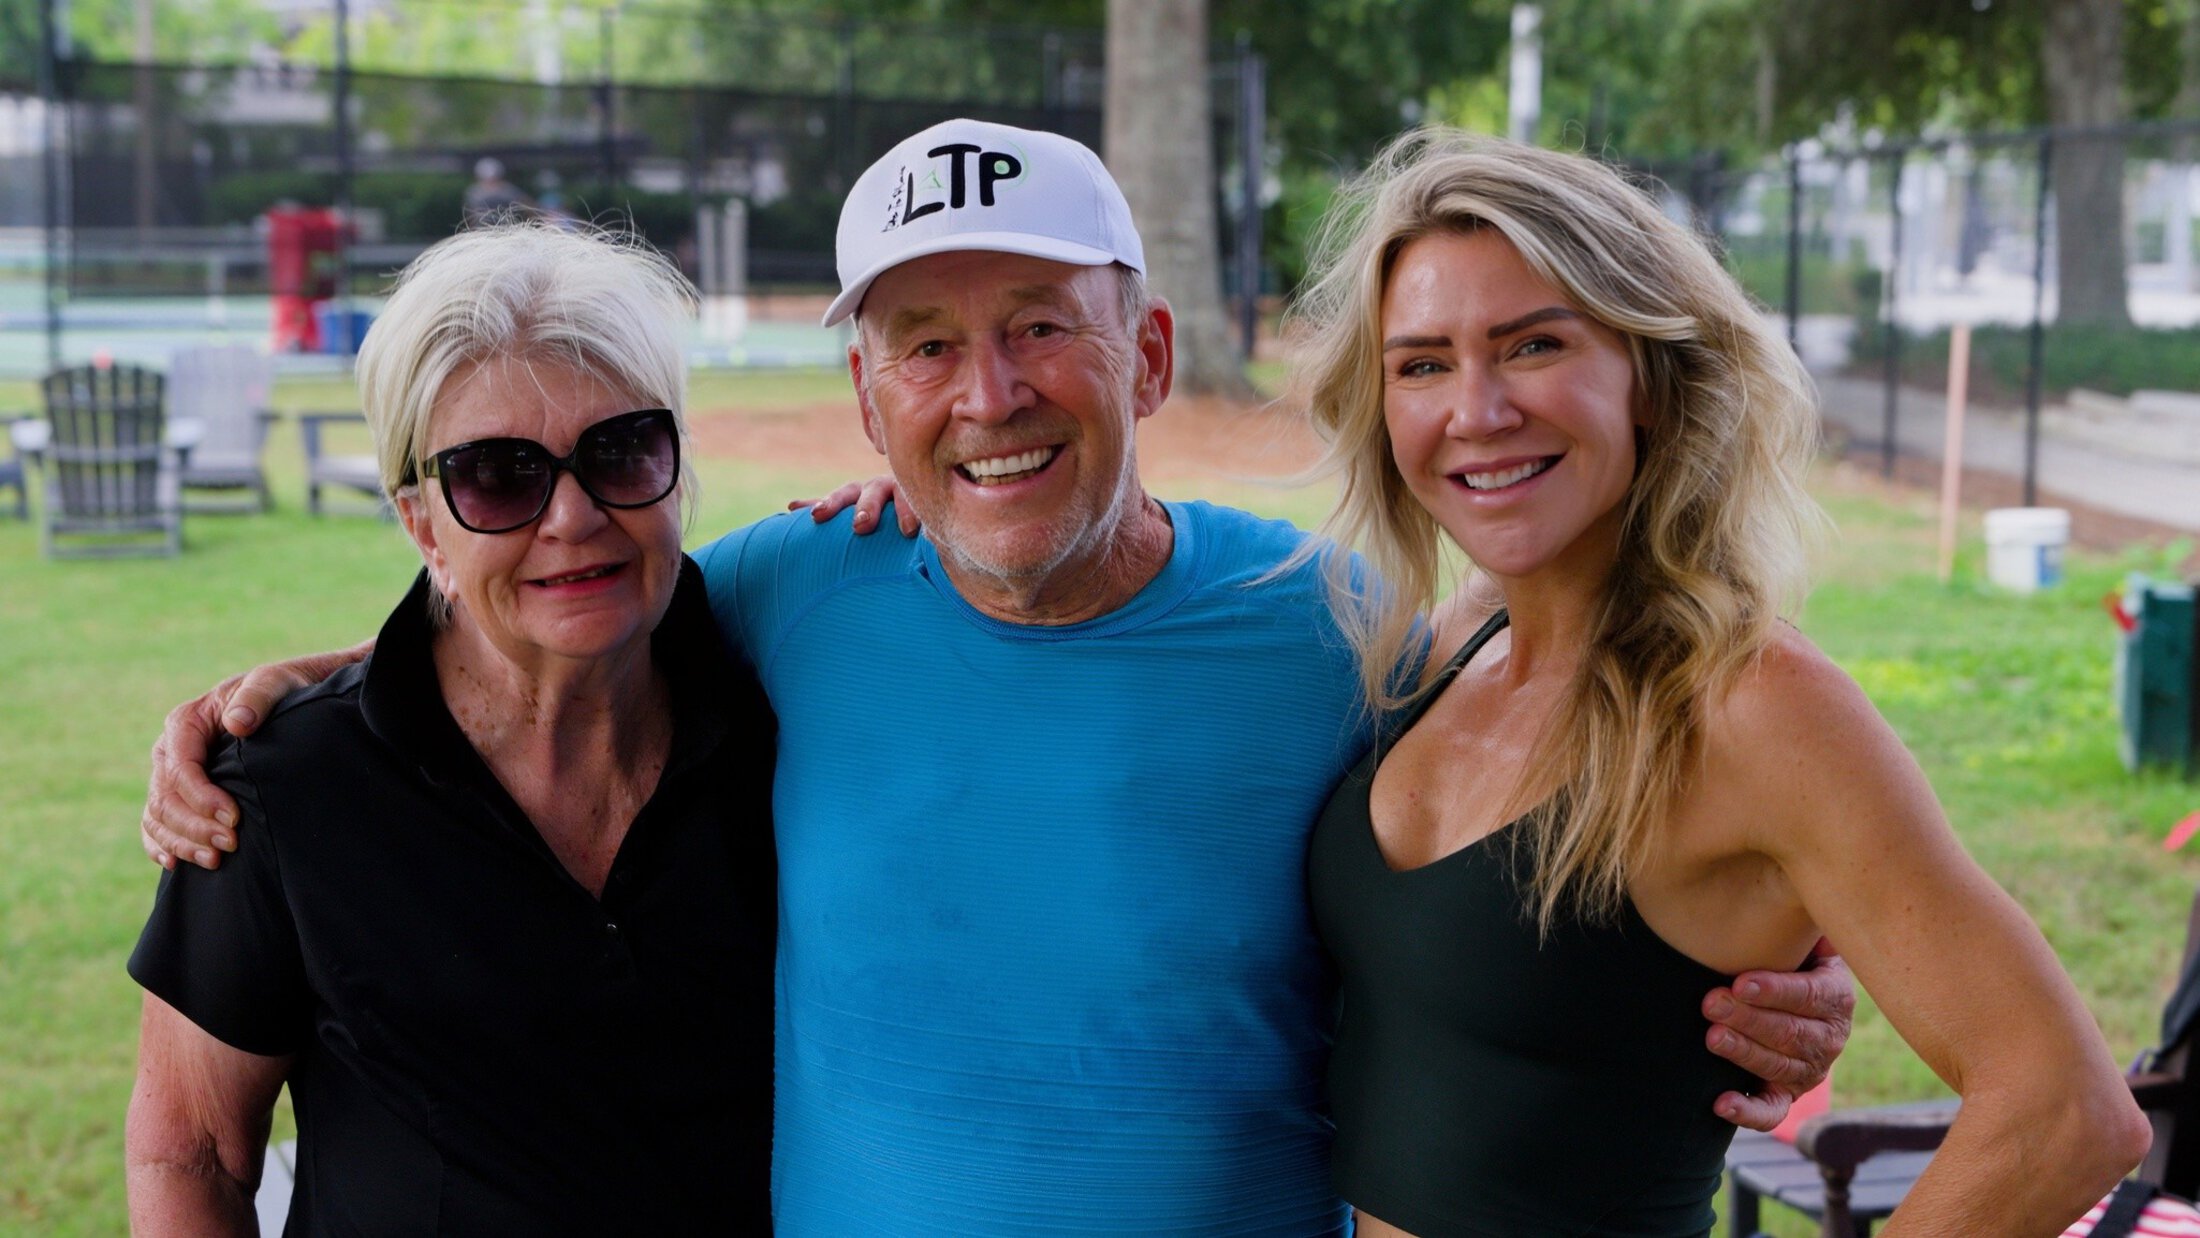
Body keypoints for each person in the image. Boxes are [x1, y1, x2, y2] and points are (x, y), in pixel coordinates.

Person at [138, 120, 1852, 1235]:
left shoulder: (1345, 629)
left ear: (1147, 353)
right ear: (868, 399)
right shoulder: (788, 591)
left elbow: (1543, 818)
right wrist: (286, 699)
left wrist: (1762, 963)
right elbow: (549, 607)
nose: (990, 394)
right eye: (927, 346)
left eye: (1041, 323)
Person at [1288, 130, 2148, 1236]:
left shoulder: (1753, 704)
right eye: (1421, 364)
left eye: (1534, 344)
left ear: (1648, 375)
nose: (1477, 410)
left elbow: (2065, 1110)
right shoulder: (1452, 643)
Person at [124, 222, 775, 1234]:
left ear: (676, 468)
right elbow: (190, 1151)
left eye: (620, 450)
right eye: (498, 475)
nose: (572, 516)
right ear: (423, 524)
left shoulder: (793, 713)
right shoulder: (281, 789)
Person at [461, 156, 532, 227]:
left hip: (505, 229)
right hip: (484, 229)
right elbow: (471, 215)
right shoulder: (473, 192)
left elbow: (528, 205)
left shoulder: (509, 190)